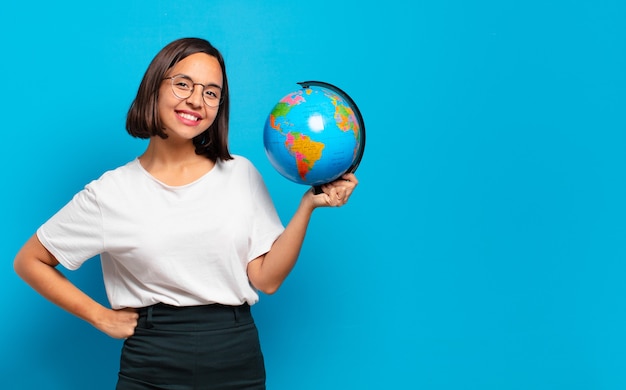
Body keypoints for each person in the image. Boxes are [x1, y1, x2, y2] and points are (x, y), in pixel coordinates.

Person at [13, 37, 358, 389]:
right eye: (183, 84)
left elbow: (266, 279)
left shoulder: (241, 173)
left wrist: (308, 206)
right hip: (151, 359)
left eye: (211, 92)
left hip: (236, 355)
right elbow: (30, 260)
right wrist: (99, 317)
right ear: (154, 87)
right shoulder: (111, 193)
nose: (196, 100)